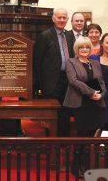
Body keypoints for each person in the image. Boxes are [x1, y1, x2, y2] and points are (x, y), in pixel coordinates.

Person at [34, 8, 74, 136]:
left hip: (68, 80)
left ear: (67, 19)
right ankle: (51, 141)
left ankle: (64, 140)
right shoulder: (44, 36)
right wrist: (40, 85)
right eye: (59, 17)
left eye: (64, 18)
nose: (62, 20)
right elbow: (37, 62)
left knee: (65, 112)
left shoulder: (69, 35)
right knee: (51, 114)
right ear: (53, 18)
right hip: (50, 83)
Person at [64, 36, 106, 137]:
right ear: (77, 49)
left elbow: (101, 82)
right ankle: (81, 152)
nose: (85, 49)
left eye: (87, 47)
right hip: (81, 101)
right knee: (83, 131)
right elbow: (73, 81)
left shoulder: (95, 63)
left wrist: (102, 94)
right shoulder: (71, 62)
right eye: (81, 47)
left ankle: (92, 151)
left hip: (96, 101)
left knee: (95, 131)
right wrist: (91, 92)